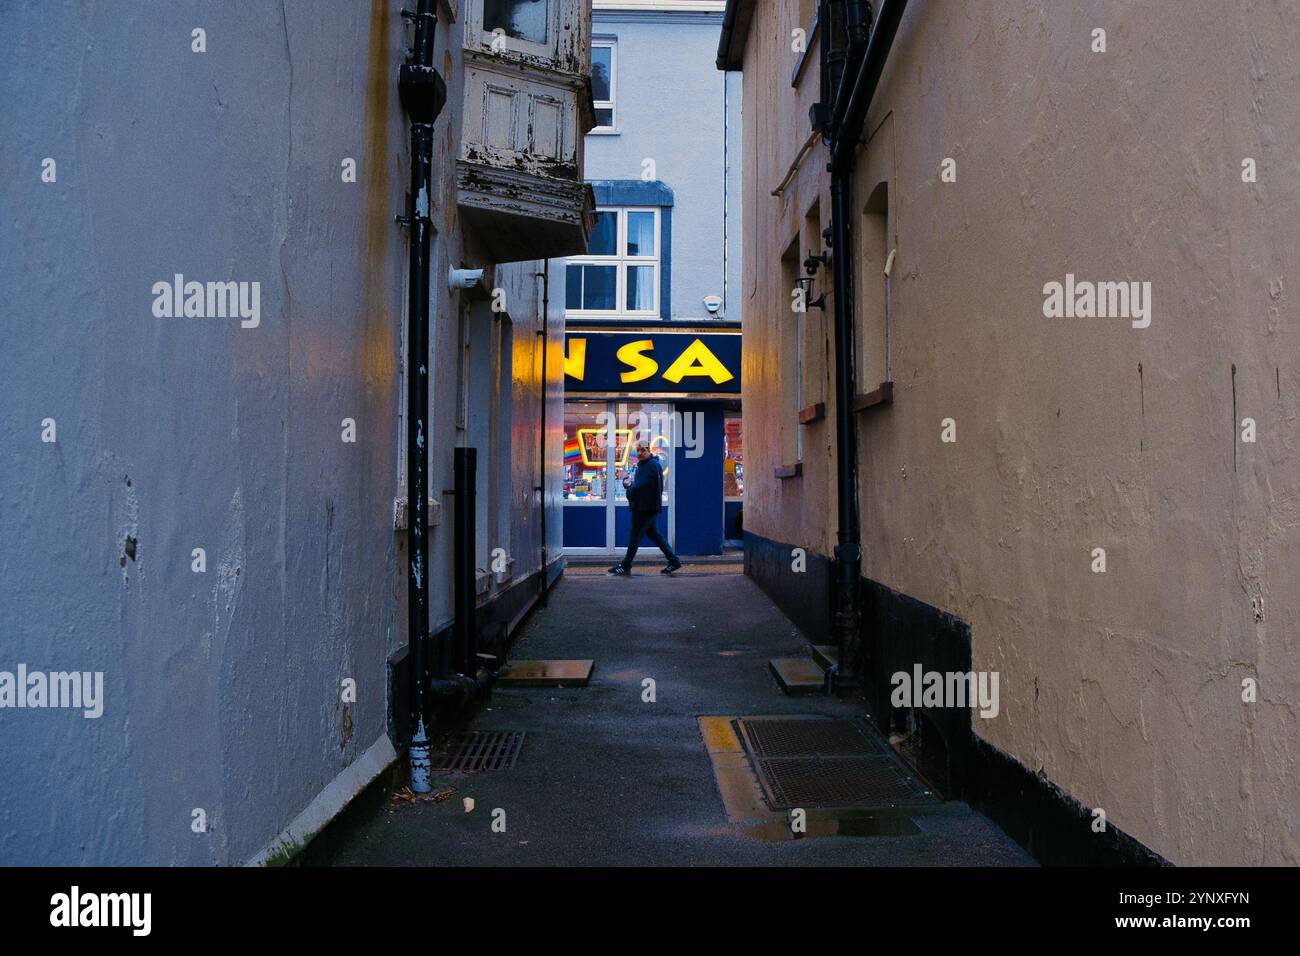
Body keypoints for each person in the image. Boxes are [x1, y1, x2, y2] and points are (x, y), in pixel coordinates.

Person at [608, 439, 682, 575]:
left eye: (643, 450)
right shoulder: (647, 465)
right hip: (647, 508)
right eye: (638, 450)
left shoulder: (650, 466)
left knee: (635, 536)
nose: (640, 453)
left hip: (645, 509)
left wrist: (628, 487)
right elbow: (643, 485)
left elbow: (641, 486)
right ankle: (674, 561)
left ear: (649, 451)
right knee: (655, 536)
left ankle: (626, 565)